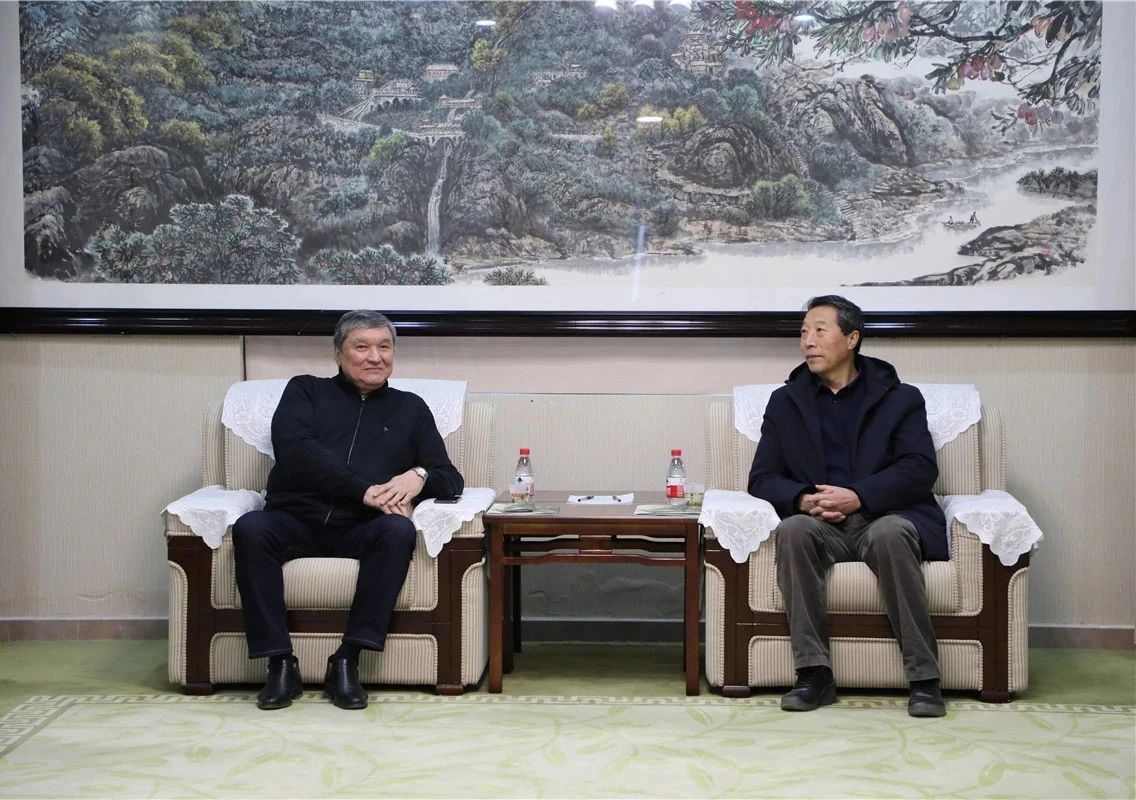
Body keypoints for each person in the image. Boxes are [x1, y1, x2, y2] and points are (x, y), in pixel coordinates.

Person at [233, 310, 463, 710]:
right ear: (338, 353)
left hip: (361, 527)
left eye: (384, 346)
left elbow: (450, 477)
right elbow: (295, 450)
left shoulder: (410, 408)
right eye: (362, 346)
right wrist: (364, 491)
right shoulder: (306, 391)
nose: (375, 356)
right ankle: (279, 663)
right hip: (295, 519)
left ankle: (347, 660)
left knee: (398, 531)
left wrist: (419, 476)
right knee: (251, 528)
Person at [748, 295, 947, 718]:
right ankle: (813, 674)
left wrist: (859, 496)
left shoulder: (900, 398)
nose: (808, 341)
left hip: (883, 517)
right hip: (821, 524)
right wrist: (803, 499)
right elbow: (762, 477)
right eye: (804, 332)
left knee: (891, 534)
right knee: (793, 529)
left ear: (852, 338)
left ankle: (924, 680)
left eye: (820, 331)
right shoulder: (785, 402)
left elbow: (919, 468)